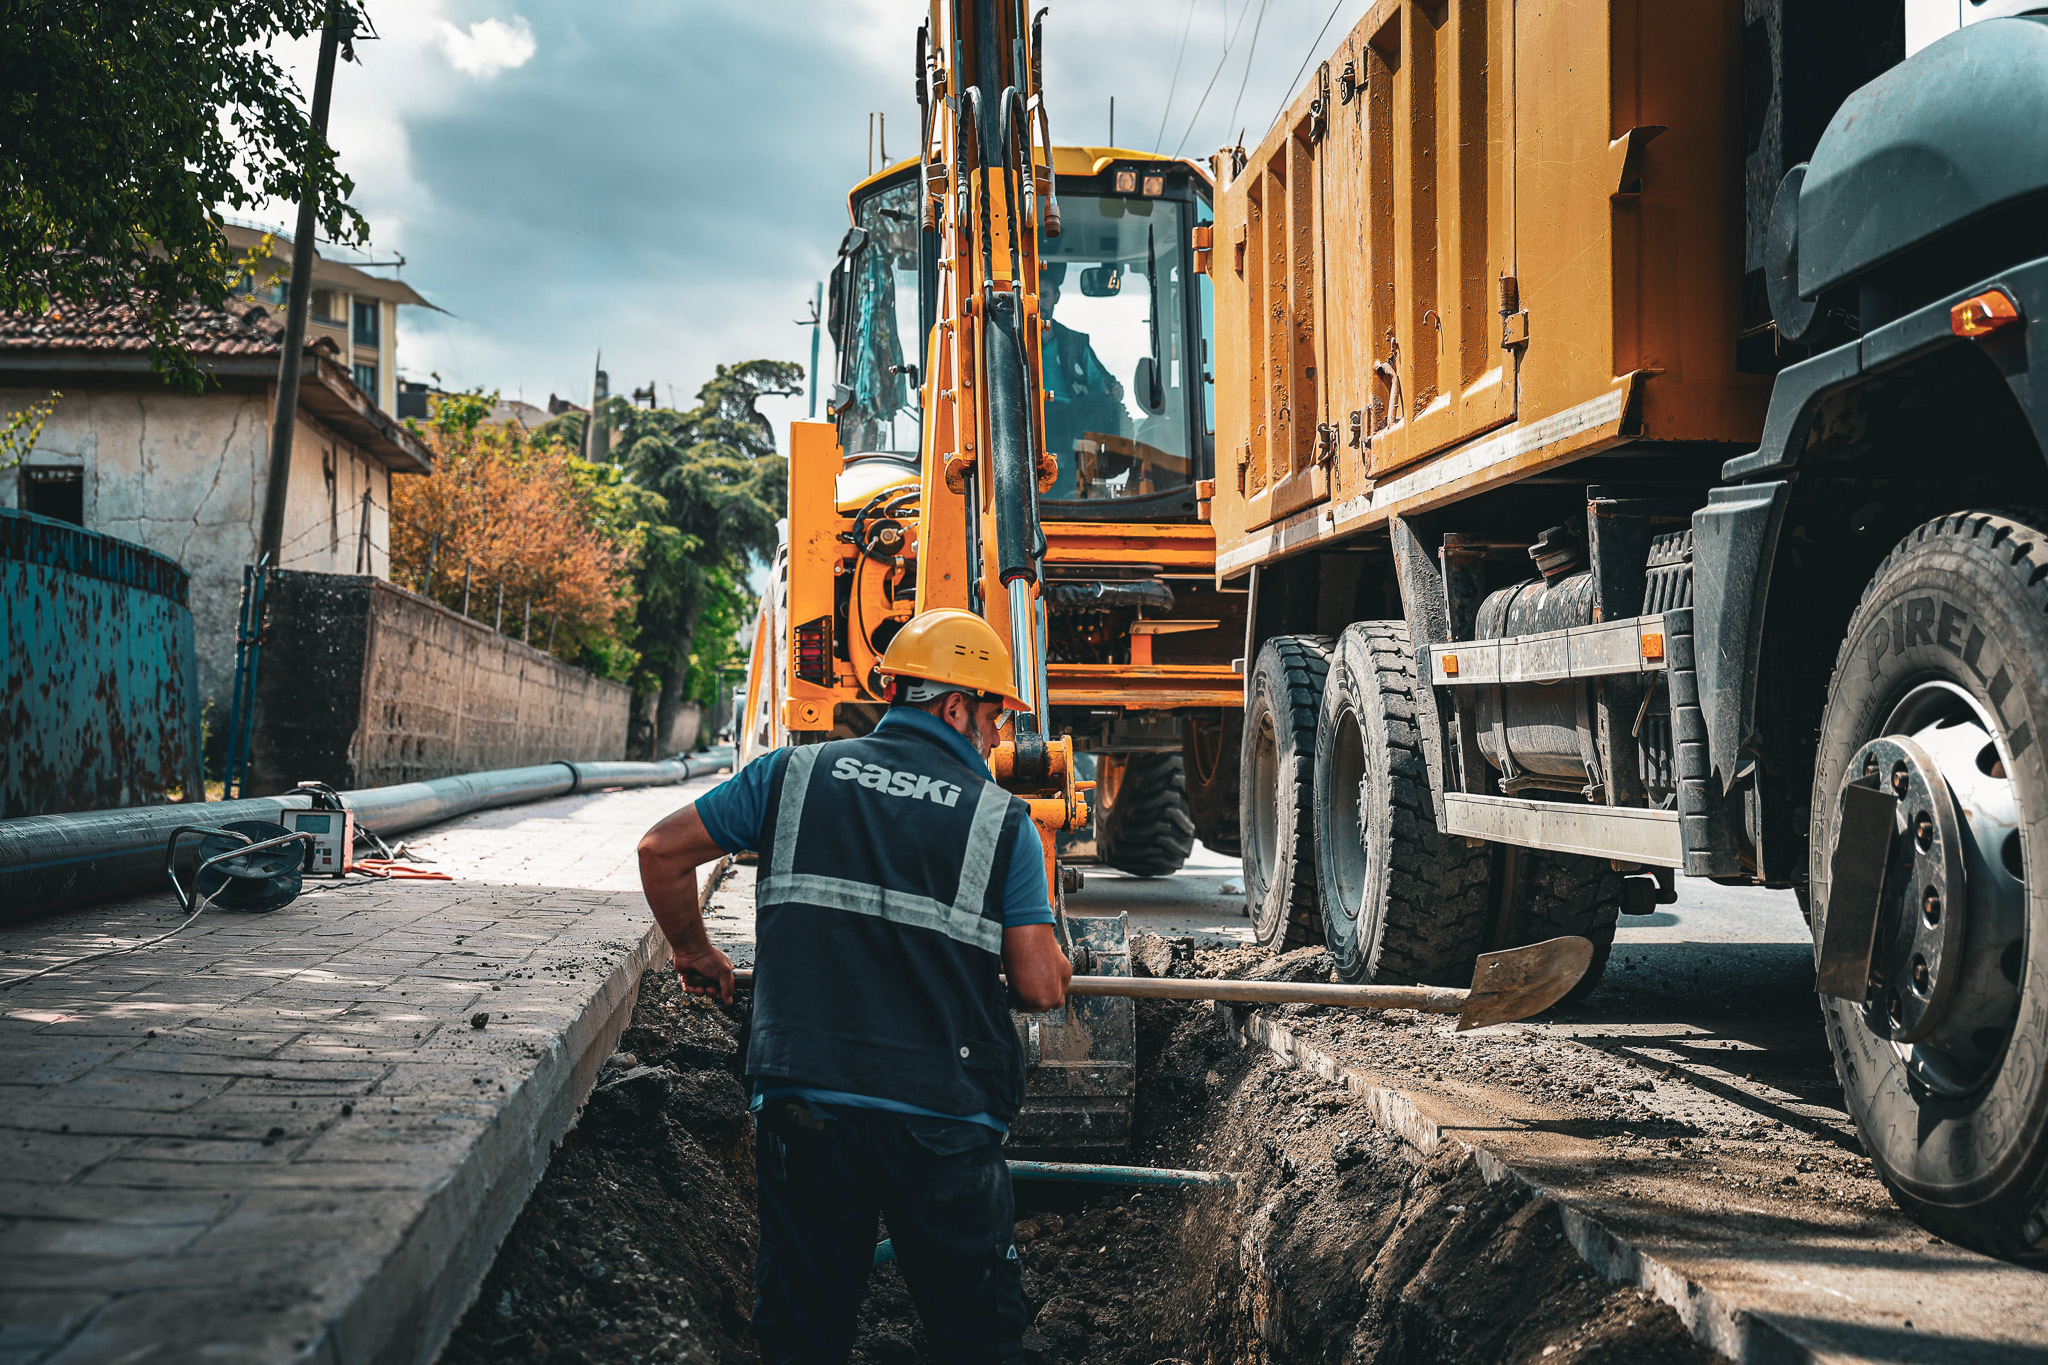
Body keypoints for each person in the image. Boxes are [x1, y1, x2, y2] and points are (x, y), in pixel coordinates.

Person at [635, 608, 1073, 1364]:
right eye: (997, 716)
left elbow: (659, 851)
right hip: (943, 1114)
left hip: (806, 1100)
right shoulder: (1000, 821)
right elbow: (1038, 986)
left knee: (803, 1330)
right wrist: (1056, 958)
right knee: (979, 1337)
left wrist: (693, 949)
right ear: (955, 705)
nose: (1000, 738)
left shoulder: (791, 774)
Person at [1038, 261, 1129, 499]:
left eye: (1045, 295)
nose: (1040, 303)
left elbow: (1102, 383)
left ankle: (1078, 470)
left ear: (1056, 297)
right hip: (1032, 415)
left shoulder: (1075, 342)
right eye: (1034, 295)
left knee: (1098, 402)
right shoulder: (1010, 342)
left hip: (1069, 416)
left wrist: (1113, 390)